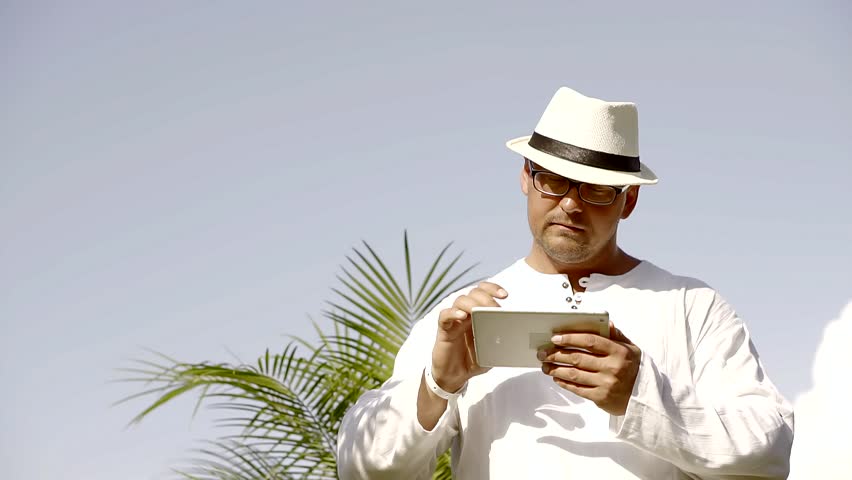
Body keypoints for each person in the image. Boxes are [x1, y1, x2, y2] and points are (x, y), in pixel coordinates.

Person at [336, 87, 794, 479]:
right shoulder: (463, 318)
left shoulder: (692, 306)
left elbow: (769, 450)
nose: (571, 205)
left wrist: (640, 396)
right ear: (525, 179)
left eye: (595, 190)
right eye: (554, 181)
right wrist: (437, 385)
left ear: (628, 201)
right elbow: (363, 467)